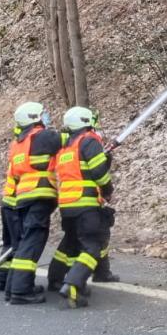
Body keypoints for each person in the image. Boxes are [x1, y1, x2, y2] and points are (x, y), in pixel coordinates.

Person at [47, 106, 117, 308]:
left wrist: (106, 157)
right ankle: (72, 284)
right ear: (86, 121)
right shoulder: (89, 140)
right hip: (85, 204)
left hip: (67, 206)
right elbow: (98, 173)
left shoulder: (65, 148)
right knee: (92, 246)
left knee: (71, 245)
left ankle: (61, 280)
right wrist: (107, 190)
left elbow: (82, 170)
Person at [0, 101, 63, 306]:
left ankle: (12, 288)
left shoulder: (18, 143)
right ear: (35, 117)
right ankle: (21, 290)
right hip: (38, 195)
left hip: (22, 198)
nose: (46, 116)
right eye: (43, 113)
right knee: (31, 243)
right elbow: (70, 140)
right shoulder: (41, 136)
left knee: (23, 243)